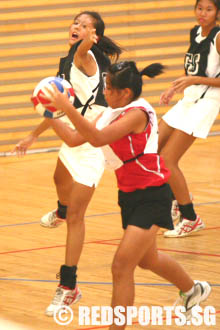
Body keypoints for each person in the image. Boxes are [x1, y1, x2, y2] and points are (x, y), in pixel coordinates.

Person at [43, 60, 211, 327]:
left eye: (109, 88)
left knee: (121, 266)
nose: (105, 93)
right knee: (148, 259)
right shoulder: (110, 112)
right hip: (129, 196)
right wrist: (51, 114)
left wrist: (66, 108)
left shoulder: (138, 113)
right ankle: (194, 291)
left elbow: (98, 139)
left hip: (153, 195)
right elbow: (76, 139)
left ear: (126, 93)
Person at [12, 11, 122, 228]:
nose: (76, 27)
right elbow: (59, 108)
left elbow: (82, 50)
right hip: (76, 120)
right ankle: (63, 212)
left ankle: (177, 203)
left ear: (94, 37)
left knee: (82, 208)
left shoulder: (84, 56)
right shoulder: (68, 62)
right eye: (75, 23)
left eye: (83, 26)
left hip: (93, 126)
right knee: (60, 178)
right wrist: (33, 135)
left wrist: (86, 42)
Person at [158, 0, 220, 238]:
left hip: (207, 102)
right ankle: (177, 198)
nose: (202, 13)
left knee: (167, 160)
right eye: (200, 8)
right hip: (189, 98)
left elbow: (200, 78)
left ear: (217, 13)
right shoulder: (194, 32)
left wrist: (194, 81)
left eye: (209, 9)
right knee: (152, 150)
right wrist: (175, 87)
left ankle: (191, 217)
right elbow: (193, 72)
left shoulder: (218, 37)